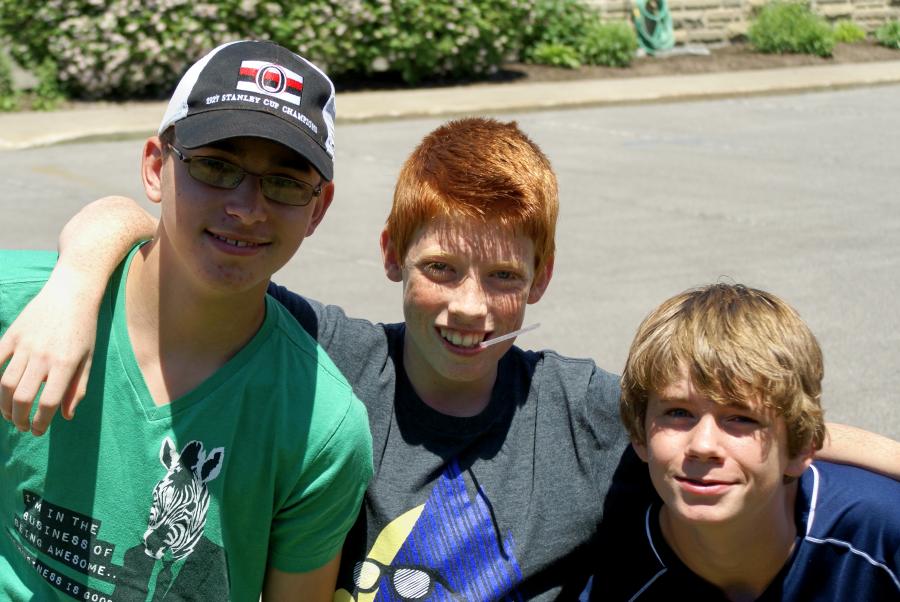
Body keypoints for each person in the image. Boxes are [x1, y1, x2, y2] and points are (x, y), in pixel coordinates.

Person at [3, 119, 898, 600]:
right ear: (392, 256)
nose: (470, 307)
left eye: (504, 276)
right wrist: (77, 282)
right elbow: (151, 229)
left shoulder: (580, 411)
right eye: (440, 269)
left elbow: (734, 414)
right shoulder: (330, 358)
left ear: (542, 277)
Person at [0, 40, 373, 601]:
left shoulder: (322, 427)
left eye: (286, 182)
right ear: (156, 167)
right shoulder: (20, 313)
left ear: (317, 208)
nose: (247, 207)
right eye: (215, 166)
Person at [596, 283, 899, 600]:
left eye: (741, 418)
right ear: (639, 435)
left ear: (801, 448)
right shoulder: (615, 577)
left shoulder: (881, 537)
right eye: (678, 413)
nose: (703, 445)